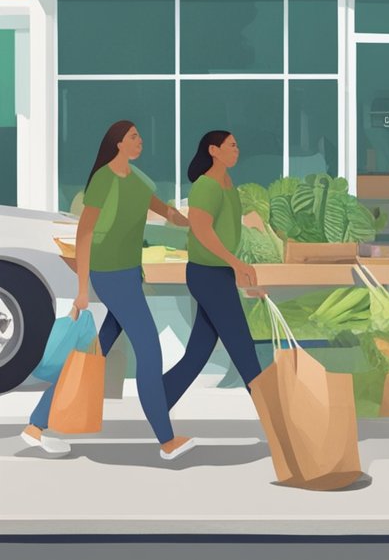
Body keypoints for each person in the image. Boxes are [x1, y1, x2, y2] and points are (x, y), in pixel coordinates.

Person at [22, 120, 196, 460]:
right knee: (149, 351)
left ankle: (36, 424)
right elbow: (85, 234)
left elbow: (166, 213)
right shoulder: (103, 180)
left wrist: (193, 220)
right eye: (133, 136)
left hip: (129, 274)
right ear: (117, 143)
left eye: (139, 136)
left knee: (94, 352)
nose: (140, 141)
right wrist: (82, 289)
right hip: (109, 274)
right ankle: (166, 439)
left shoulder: (140, 181)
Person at [161, 131, 264, 409]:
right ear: (213, 150)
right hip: (207, 274)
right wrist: (236, 262)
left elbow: (226, 227)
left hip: (220, 273)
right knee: (244, 349)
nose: (237, 149)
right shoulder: (205, 186)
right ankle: (275, 419)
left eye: (237, 144)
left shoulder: (228, 183)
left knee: (198, 353)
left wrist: (238, 266)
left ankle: (158, 399)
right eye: (231, 145)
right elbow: (202, 230)